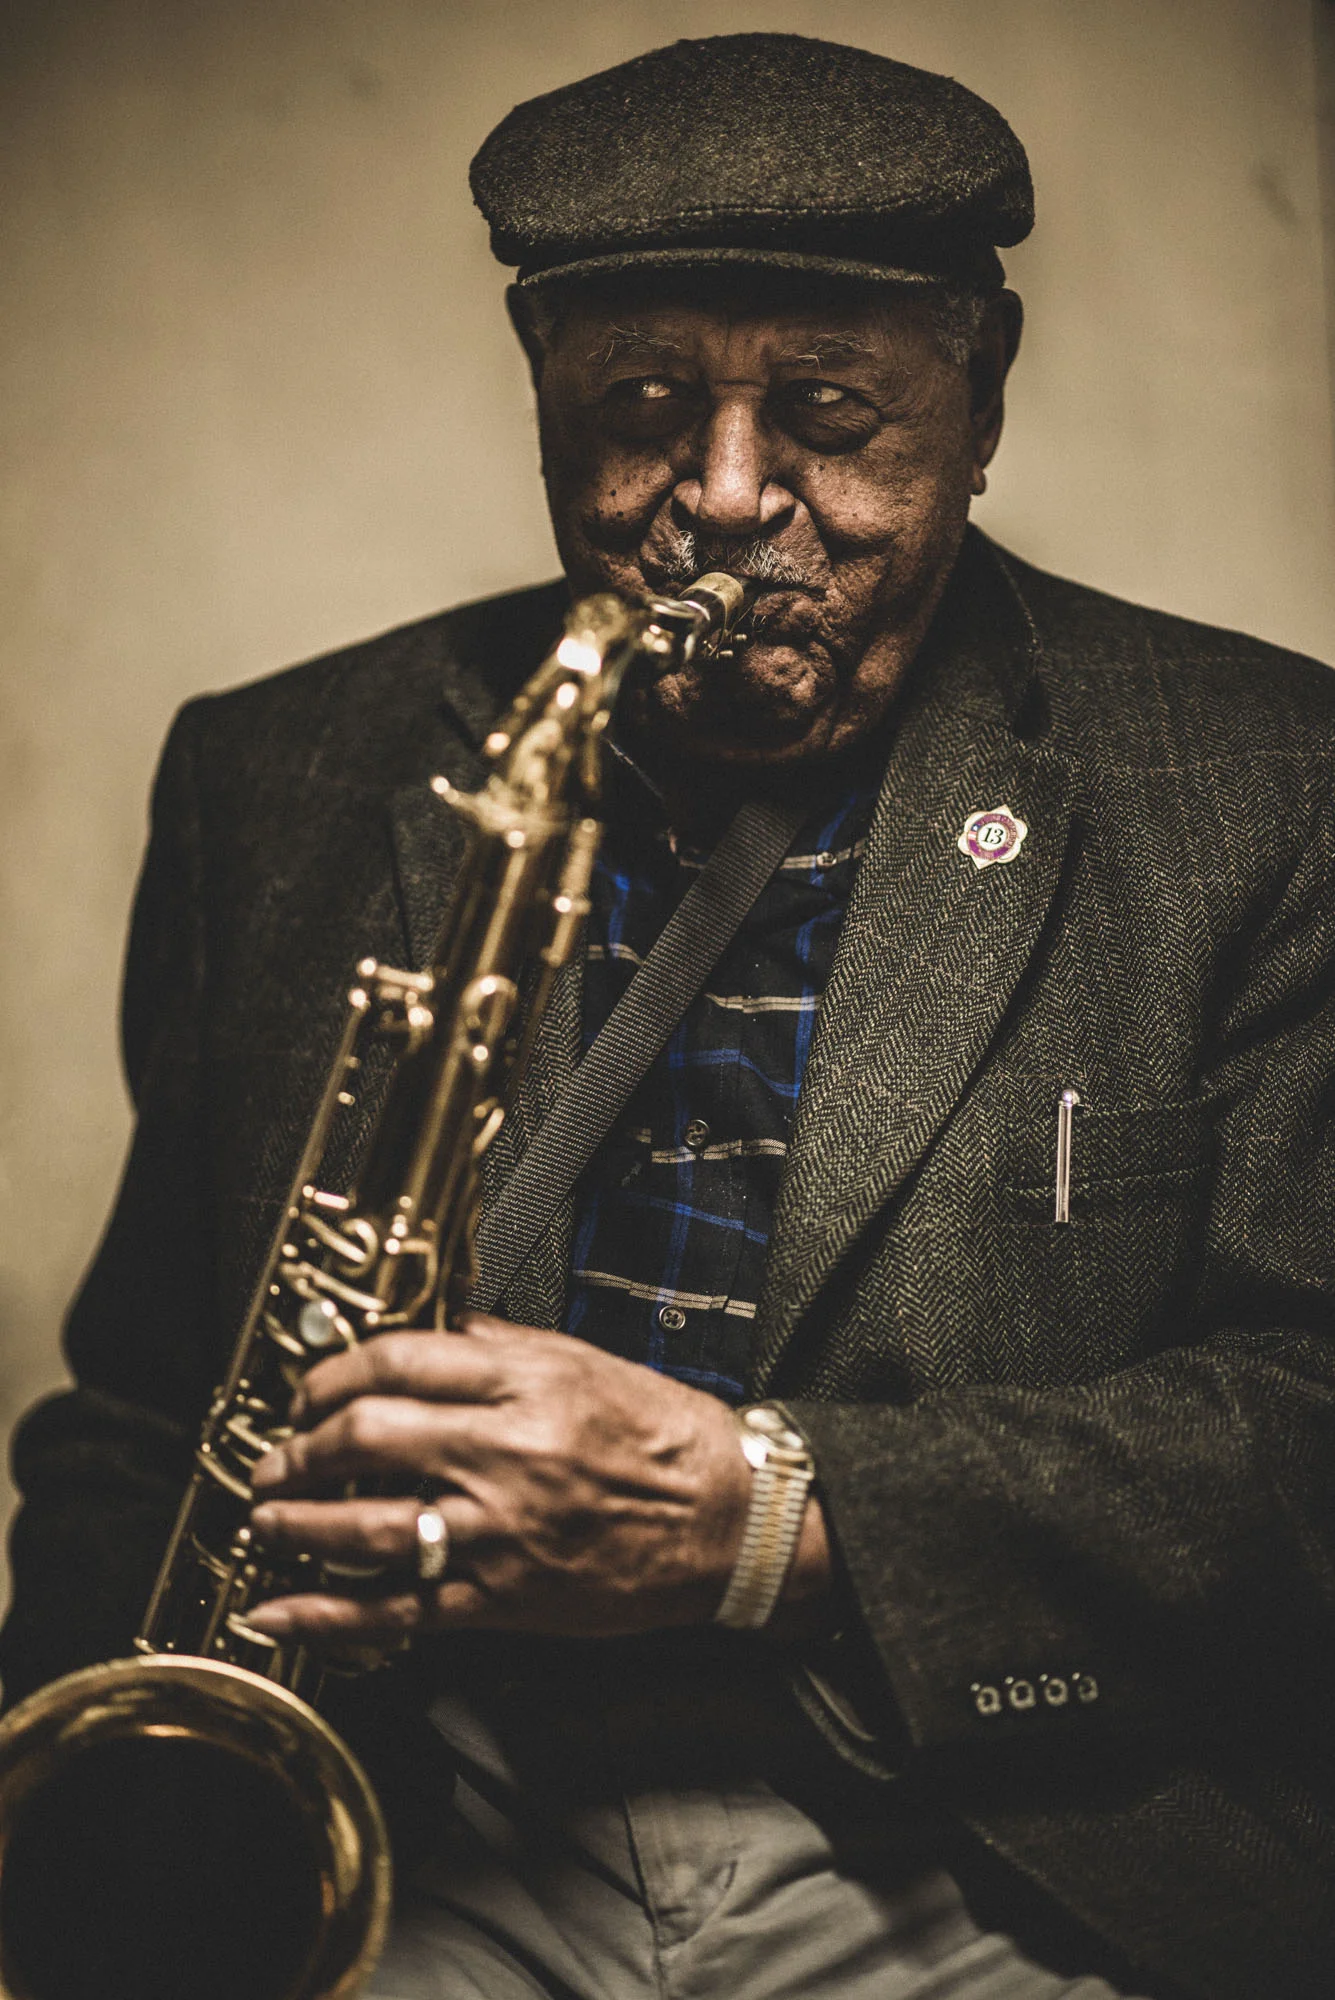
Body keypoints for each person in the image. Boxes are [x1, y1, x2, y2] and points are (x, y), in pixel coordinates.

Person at [3, 31, 1334, 2000]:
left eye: (826, 410)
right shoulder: (271, 772)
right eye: (639, 403)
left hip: (995, 1842)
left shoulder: (1273, 781)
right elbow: (145, 1402)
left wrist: (769, 1525)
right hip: (421, 1813)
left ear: (982, 392)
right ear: (537, 384)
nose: (718, 499)